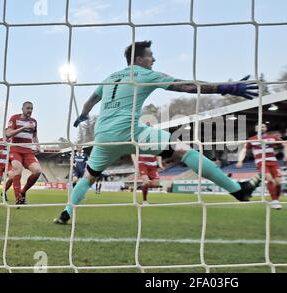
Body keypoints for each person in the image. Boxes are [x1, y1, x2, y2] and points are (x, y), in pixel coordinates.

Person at [54, 40, 261, 224]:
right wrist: (227, 88)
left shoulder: (110, 77)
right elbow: (187, 87)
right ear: (139, 59)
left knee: (88, 178)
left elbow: (91, 100)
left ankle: (67, 211)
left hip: (103, 137)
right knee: (184, 150)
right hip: (130, 132)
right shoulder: (145, 74)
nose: (154, 59)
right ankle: (237, 190)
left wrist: (83, 115)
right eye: (150, 56)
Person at [236, 123, 287, 210]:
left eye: (263, 126)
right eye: (259, 127)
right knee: (269, 178)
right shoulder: (252, 139)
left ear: (266, 128)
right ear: (256, 129)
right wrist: (240, 160)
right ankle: (274, 200)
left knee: (278, 182)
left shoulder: (272, 137)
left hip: (273, 162)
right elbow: (244, 150)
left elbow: (285, 145)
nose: (261, 128)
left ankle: (276, 200)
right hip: (261, 162)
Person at [6, 101, 43, 205]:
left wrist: (38, 147)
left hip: (28, 151)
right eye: (28, 108)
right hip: (15, 149)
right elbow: (8, 134)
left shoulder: (34, 121)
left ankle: (23, 192)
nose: (30, 110)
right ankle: (18, 198)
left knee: (38, 171)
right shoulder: (14, 118)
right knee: (18, 170)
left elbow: (35, 136)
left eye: (31, 108)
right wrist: (23, 127)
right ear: (22, 108)